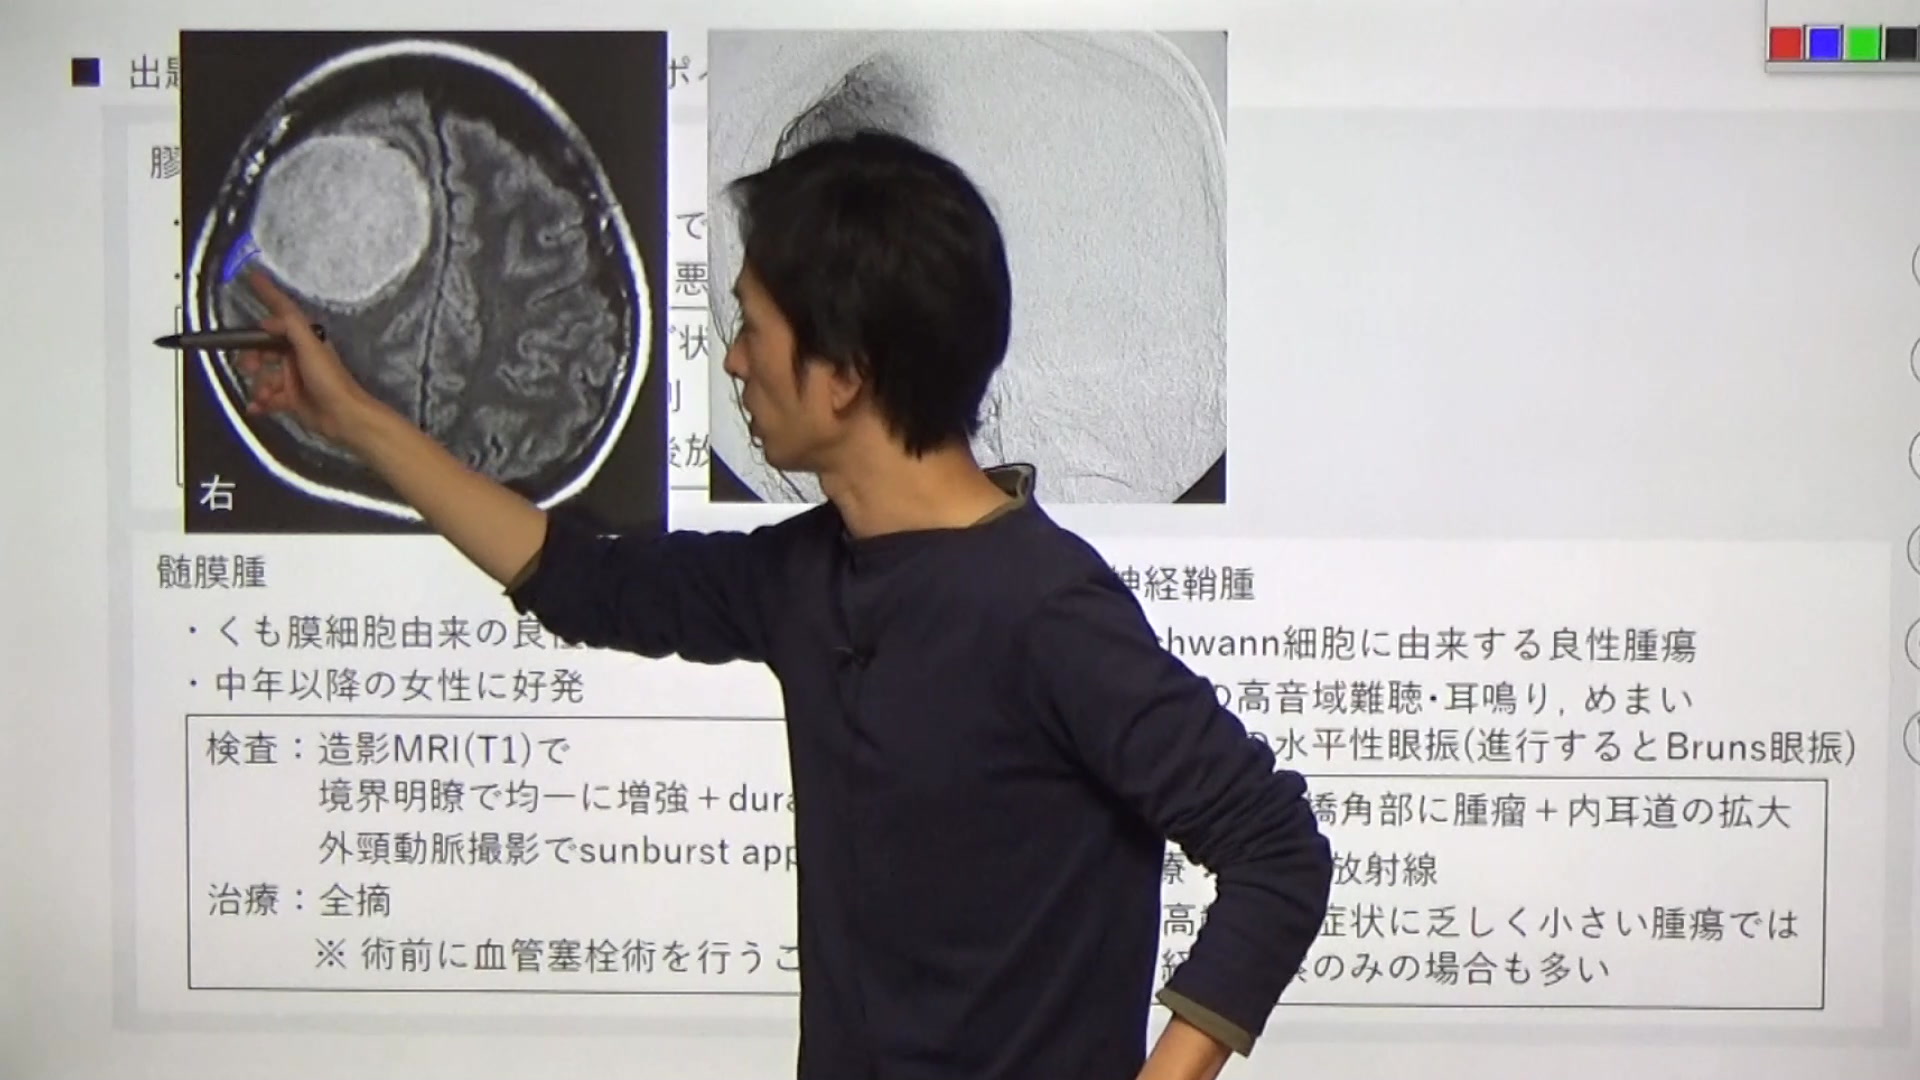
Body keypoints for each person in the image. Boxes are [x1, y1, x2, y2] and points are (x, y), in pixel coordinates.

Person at [235, 129, 1332, 1080]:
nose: (733, 360)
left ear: (845, 373)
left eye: (752, 327)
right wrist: (355, 421)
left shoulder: (1043, 609)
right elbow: (577, 582)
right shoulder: (807, 573)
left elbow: (1277, 850)